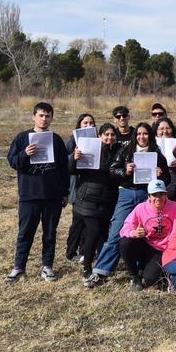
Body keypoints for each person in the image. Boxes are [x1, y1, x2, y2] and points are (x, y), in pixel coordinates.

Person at [91, 122, 170, 280]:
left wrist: (160, 174)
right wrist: (125, 171)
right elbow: (112, 170)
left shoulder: (157, 153)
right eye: (139, 134)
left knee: (146, 231)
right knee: (117, 230)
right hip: (127, 193)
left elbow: (167, 179)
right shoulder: (126, 150)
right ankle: (101, 271)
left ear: (150, 135)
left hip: (147, 195)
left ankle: (141, 267)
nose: (142, 137)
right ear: (135, 136)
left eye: (145, 133)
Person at [6, 102, 70, 282]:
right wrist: (25, 154)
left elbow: (64, 168)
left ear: (52, 118)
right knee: (25, 233)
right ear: (33, 117)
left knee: (50, 233)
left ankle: (47, 266)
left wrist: (65, 192)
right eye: (41, 115)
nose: (44, 119)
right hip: (29, 195)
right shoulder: (22, 138)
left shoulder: (56, 140)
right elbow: (12, 162)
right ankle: (19, 267)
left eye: (48, 116)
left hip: (52, 196)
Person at [70, 123, 121, 287]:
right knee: (94, 230)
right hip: (88, 198)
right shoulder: (89, 149)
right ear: (100, 136)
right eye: (106, 134)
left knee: (103, 232)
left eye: (112, 135)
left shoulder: (119, 151)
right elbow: (71, 170)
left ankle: (101, 266)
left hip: (107, 199)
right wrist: (74, 158)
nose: (109, 137)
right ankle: (87, 268)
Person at [117, 179, 176, 290]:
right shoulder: (140, 208)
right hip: (145, 244)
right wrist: (134, 233)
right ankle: (134, 276)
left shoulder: (175, 207)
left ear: (166, 195)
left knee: (150, 280)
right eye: (154, 195)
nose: (158, 198)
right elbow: (125, 228)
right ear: (149, 196)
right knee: (125, 242)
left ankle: (153, 270)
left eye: (161, 194)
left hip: (164, 249)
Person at [64, 113, 97, 262]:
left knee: (88, 222)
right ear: (79, 125)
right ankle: (71, 252)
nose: (88, 126)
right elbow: (64, 163)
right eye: (85, 123)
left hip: (91, 187)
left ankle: (84, 250)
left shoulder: (97, 140)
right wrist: (73, 156)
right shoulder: (72, 141)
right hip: (77, 186)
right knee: (77, 222)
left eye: (91, 123)